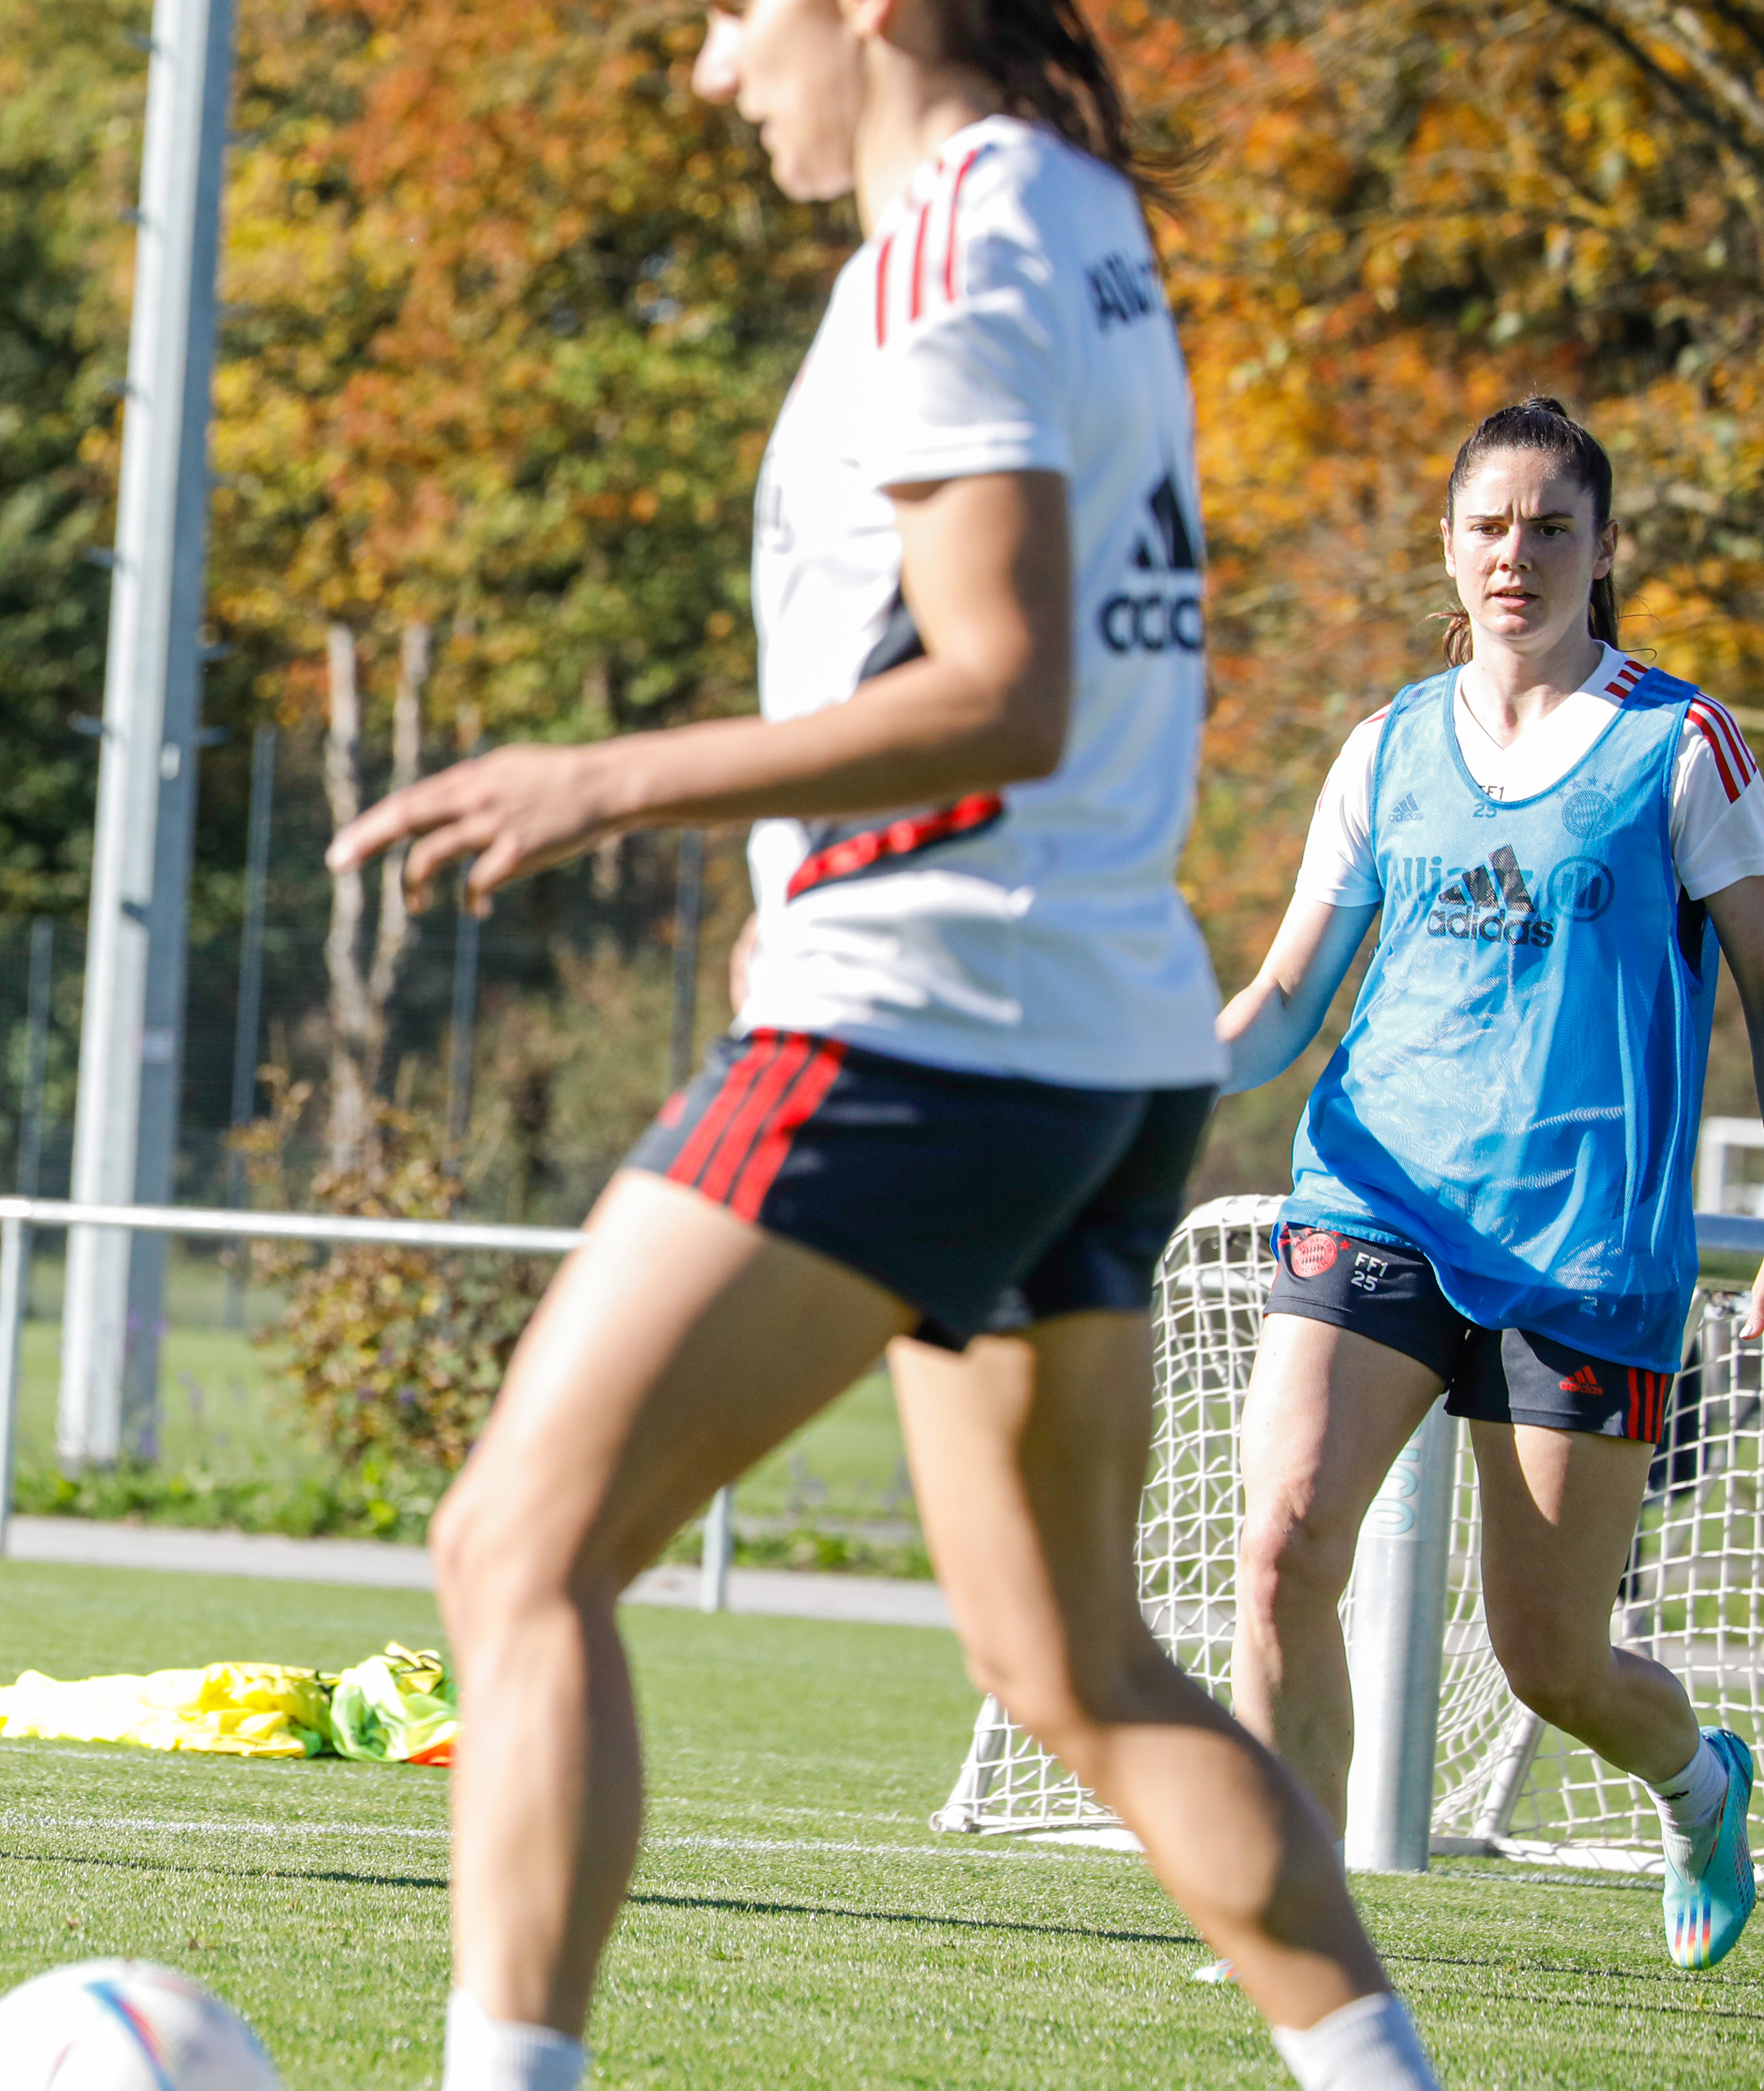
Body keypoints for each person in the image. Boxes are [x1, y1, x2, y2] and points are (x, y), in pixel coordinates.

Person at [331, 4, 1440, 2086]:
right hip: (1097, 1039)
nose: (711, 70)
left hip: (928, 1018)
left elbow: (1004, 685)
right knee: (1078, 1665)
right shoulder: (1081, 219)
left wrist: (604, 777)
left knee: (513, 1546)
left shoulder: (956, 235)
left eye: (731, 16)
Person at [1219, 396, 1761, 1970]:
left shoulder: (1680, 745)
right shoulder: (1385, 745)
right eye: (1488, 525)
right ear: (1447, 550)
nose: (1515, 554)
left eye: (1551, 526)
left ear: (1604, 552)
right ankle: (1295, 1927)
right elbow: (1278, 1011)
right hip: (1376, 1198)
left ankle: (1701, 1778)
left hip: (1583, 1255)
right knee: (1279, 1547)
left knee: (1549, 1660)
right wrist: (1130, 1073)